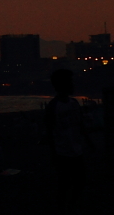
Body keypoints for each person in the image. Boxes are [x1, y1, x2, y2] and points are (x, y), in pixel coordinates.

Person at [45, 69, 93, 214]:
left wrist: (88, 142)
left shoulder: (73, 103)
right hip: (63, 152)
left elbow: (80, 125)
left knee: (78, 182)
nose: (73, 84)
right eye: (70, 82)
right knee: (65, 185)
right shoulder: (54, 107)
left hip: (74, 150)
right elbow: (49, 131)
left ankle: (68, 207)